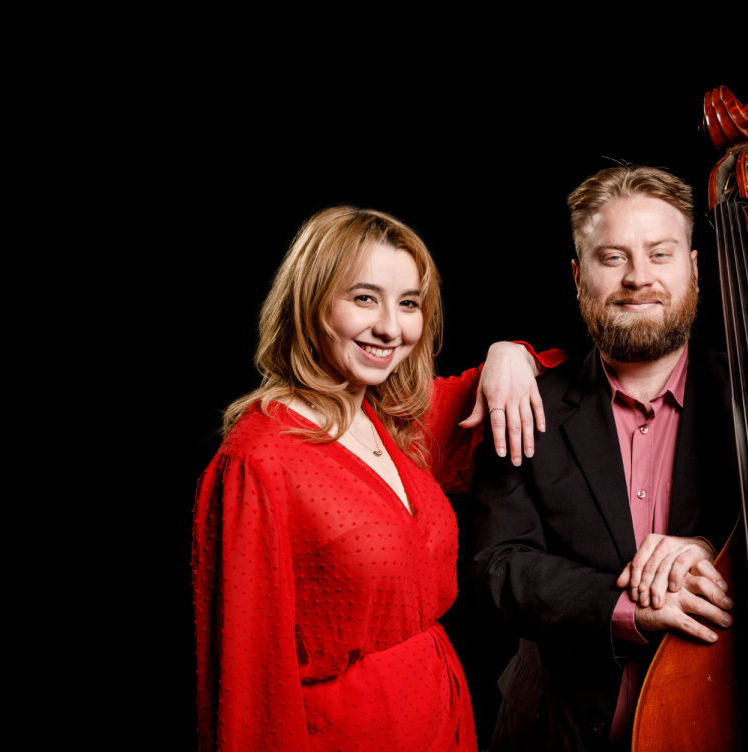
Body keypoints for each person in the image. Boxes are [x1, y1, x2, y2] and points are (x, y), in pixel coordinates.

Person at [472, 166, 748, 751]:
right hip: (556, 732)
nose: (638, 278)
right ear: (577, 277)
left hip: (732, 723)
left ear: (695, 268)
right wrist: (627, 608)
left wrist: (713, 554)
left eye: (660, 254)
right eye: (612, 257)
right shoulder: (524, 404)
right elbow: (496, 569)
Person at [192, 205, 564, 752]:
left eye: (409, 303)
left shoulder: (393, 422)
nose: (391, 327)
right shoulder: (258, 459)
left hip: (441, 721)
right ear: (312, 301)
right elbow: (247, 684)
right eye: (365, 298)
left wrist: (508, 353)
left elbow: (557, 379)